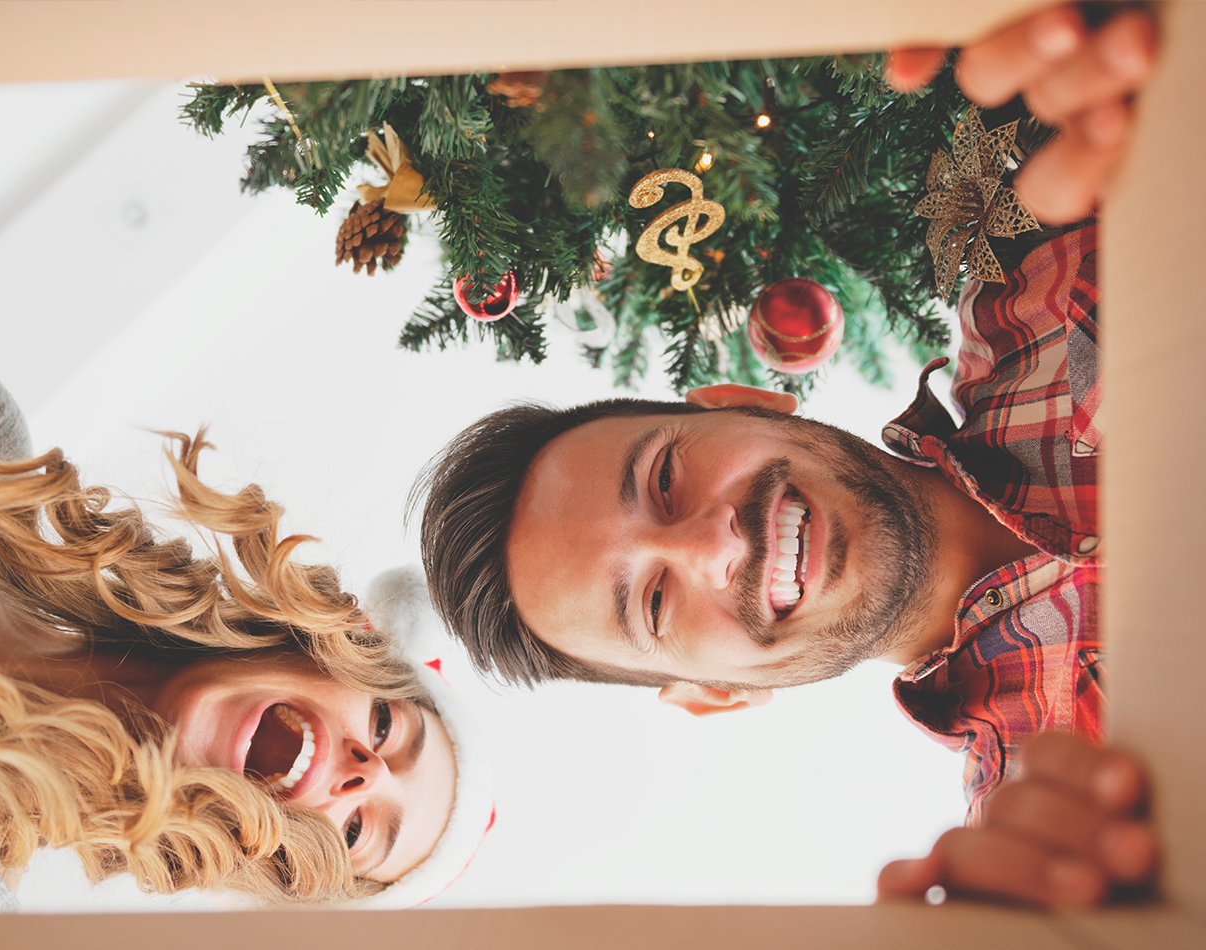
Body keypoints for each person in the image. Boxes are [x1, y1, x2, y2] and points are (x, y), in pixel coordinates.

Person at [415, 3, 1158, 907]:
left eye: (664, 478)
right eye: (653, 601)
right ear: (714, 696)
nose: (714, 545)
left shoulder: (1039, 261)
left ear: (744, 399)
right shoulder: (1055, 859)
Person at [0, 87, 491, 911]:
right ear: (332, 646)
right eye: (388, 727)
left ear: (268, 859)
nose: (368, 772)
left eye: (358, 832)